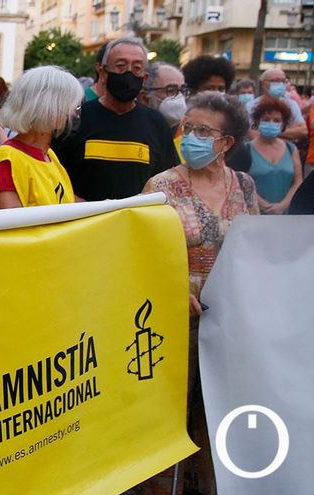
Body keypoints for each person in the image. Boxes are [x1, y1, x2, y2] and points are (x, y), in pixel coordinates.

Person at [142, 91, 258, 495]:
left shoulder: (243, 185)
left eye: (202, 130)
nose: (189, 136)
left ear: (227, 142)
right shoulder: (161, 187)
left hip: (229, 326)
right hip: (174, 320)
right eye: (186, 127)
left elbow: (254, 250)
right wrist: (170, 289)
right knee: (168, 419)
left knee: (217, 418)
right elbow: (139, 255)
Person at [53, 37, 179, 201]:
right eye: (121, 66)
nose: (128, 73)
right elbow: (53, 175)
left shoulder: (157, 124)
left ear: (144, 78)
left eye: (137, 68)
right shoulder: (75, 119)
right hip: (85, 223)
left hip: (137, 223)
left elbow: (168, 182)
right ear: (102, 73)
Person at [0, 66, 80, 209]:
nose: (74, 114)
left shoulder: (48, 155)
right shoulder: (6, 162)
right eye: (71, 107)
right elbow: (14, 226)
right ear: (48, 108)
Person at [248, 99, 303, 214]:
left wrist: (283, 205)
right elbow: (240, 183)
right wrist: (265, 205)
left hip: (285, 215)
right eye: (266, 120)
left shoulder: (291, 149)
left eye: (276, 120)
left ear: (283, 124)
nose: (271, 123)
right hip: (254, 214)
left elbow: (297, 182)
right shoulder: (246, 150)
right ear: (257, 122)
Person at [244, 68, 307, 141]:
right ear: (263, 84)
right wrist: (289, 132)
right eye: (276, 81)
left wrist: (270, 132)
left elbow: (303, 130)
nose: (280, 84)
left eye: (283, 81)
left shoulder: (292, 104)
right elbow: (251, 133)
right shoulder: (251, 106)